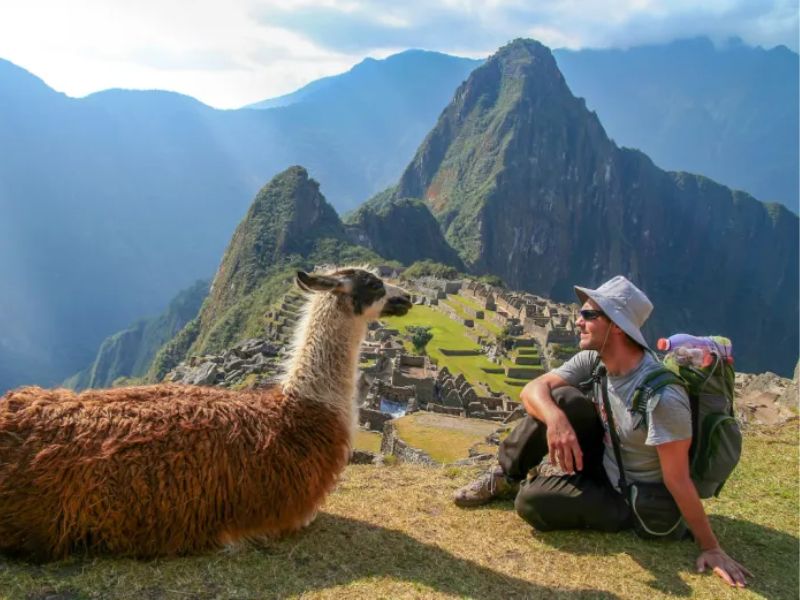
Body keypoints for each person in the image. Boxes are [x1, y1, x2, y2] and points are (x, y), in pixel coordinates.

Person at [453, 276, 751, 588]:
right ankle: (504, 477)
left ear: (618, 326)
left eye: (589, 315)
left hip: (630, 496)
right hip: (606, 459)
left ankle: (546, 487)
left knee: (532, 502)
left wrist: (710, 547)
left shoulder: (662, 398)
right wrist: (556, 420)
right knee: (560, 399)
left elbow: (677, 480)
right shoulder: (594, 359)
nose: (578, 321)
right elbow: (532, 389)